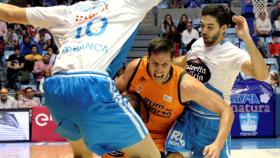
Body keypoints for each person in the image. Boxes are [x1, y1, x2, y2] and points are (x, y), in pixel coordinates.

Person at [0, 1, 164, 158]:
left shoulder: (66, 11)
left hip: (56, 87)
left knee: (82, 154)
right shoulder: (127, 4)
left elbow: (11, 13)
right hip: (90, 83)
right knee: (148, 155)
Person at [166, 5, 269, 158]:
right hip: (188, 117)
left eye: (210, 27)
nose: (204, 31)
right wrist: (162, 63)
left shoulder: (233, 54)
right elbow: (183, 61)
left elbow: (262, 74)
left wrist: (247, 39)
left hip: (214, 123)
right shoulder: (198, 43)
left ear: (223, 28)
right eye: (202, 25)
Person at [114, 38, 234, 158]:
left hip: (158, 138)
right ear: (148, 58)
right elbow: (109, 94)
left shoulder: (186, 85)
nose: (159, 70)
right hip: (127, 131)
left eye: (164, 64)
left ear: (172, 61)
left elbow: (226, 111)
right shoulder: (136, 68)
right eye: (154, 63)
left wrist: (217, 144)